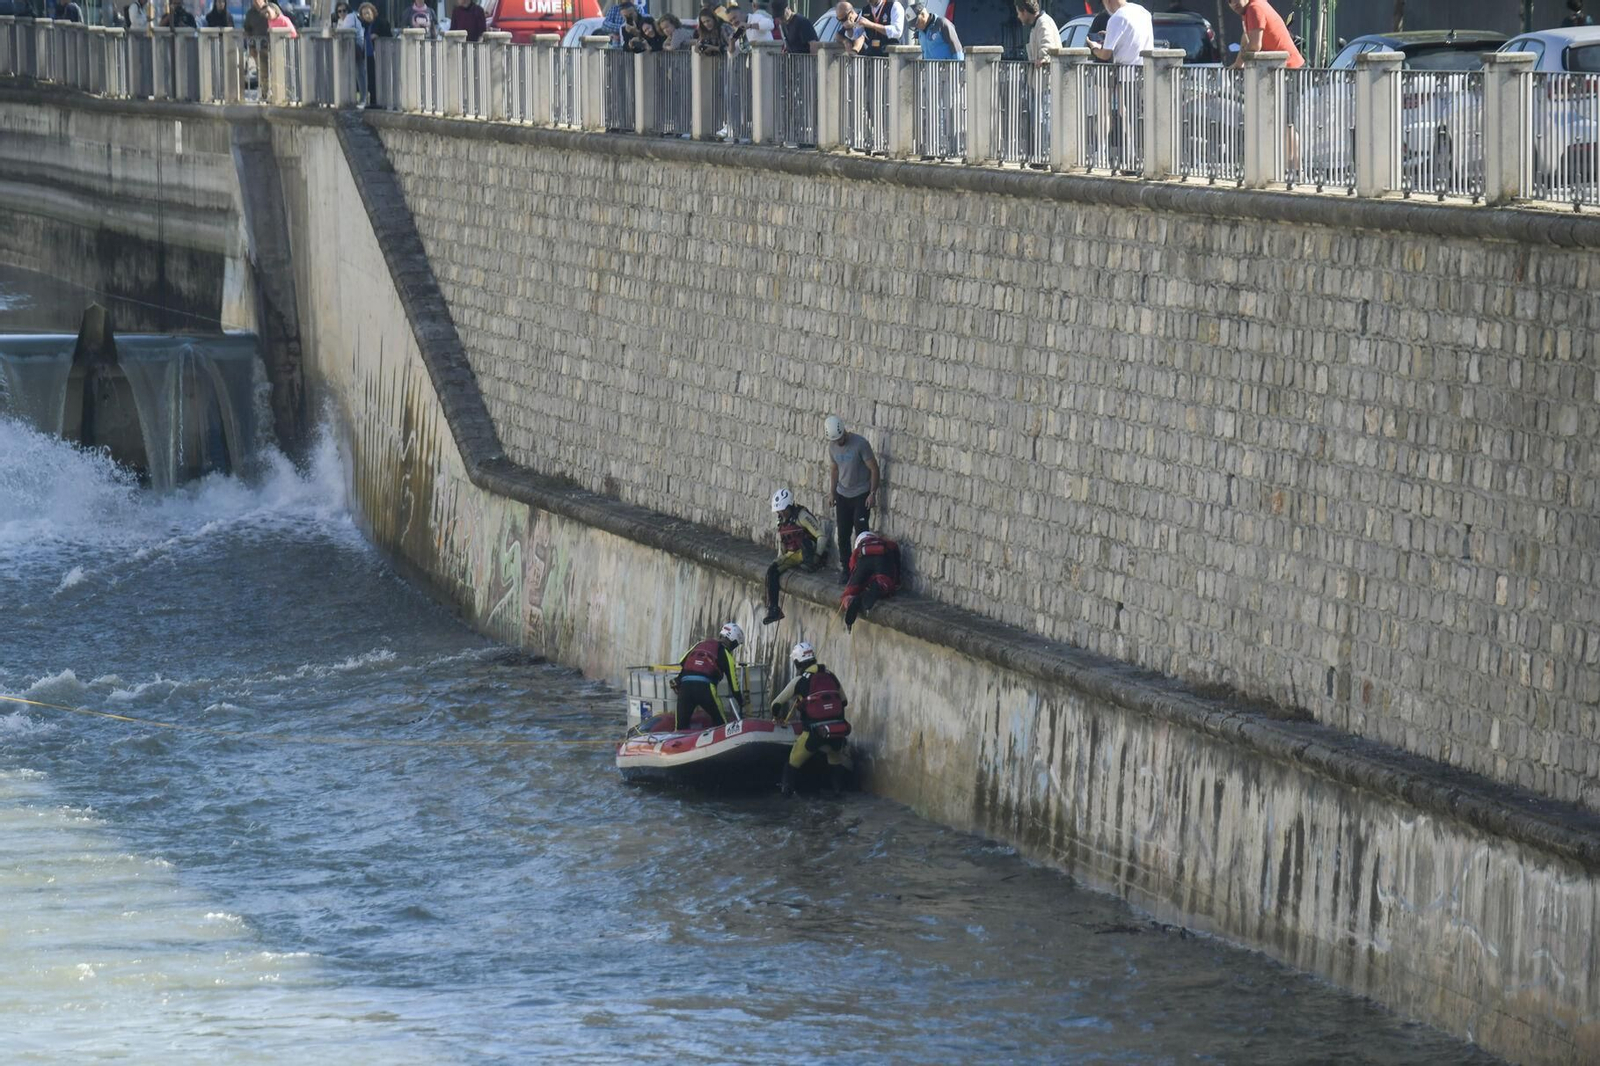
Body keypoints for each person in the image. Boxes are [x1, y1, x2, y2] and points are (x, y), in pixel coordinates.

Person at [770, 641, 852, 797]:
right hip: (837, 732)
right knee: (835, 760)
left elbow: (776, 704)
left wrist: (777, 717)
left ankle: (785, 796)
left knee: (792, 763)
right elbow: (844, 701)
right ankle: (838, 793)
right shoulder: (831, 676)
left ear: (797, 662)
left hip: (813, 734)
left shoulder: (799, 681)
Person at [825, 414, 878, 585]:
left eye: (840, 439)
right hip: (842, 495)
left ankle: (862, 569)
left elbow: (874, 469)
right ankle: (846, 569)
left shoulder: (860, 444)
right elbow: (834, 470)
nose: (839, 442)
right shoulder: (832, 447)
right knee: (843, 534)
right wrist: (832, 492)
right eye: (836, 440)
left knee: (861, 533)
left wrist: (872, 493)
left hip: (861, 493)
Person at [762, 487, 825, 626]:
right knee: (771, 572)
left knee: (805, 544)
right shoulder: (781, 521)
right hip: (792, 554)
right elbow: (782, 543)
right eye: (779, 511)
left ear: (790, 506)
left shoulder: (802, 516)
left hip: (807, 552)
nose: (781, 513)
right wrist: (778, 559)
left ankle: (808, 564)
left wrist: (817, 556)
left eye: (783, 510)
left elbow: (821, 536)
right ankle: (773, 609)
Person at [672, 622, 745, 731]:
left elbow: (683, 661)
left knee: (680, 727)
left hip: (685, 687)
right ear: (732, 641)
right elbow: (734, 685)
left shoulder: (700, 644)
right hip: (705, 689)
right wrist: (741, 702)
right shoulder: (726, 655)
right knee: (721, 725)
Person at [840, 529, 899, 630]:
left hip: (863, 562)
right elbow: (895, 562)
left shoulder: (859, 549)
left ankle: (851, 601)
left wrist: (857, 583)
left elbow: (852, 566)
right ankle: (878, 587)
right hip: (882, 559)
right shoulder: (884, 544)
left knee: (848, 593)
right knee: (883, 581)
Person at [1089, 0, 1151, 66]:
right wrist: (1109, 35)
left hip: (1125, 71)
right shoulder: (1143, 12)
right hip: (1145, 70)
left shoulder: (1117, 17)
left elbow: (1105, 55)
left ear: (1107, 1)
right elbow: (1133, 38)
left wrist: (1094, 48)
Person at [356, 2, 390, 106]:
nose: (367, 15)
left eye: (368, 12)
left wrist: (378, 36)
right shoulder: (363, 26)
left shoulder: (381, 22)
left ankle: (380, 101)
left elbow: (388, 35)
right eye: (364, 14)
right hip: (368, 56)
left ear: (373, 12)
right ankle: (372, 101)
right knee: (370, 79)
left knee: (379, 78)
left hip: (380, 55)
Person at [1015, 0, 1057, 65]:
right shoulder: (1037, 24)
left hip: (1047, 73)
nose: (1018, 16)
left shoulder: (1043, 22)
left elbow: (1048, 45)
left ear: (1024, 12)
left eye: (1018, 13)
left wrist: (1044, 58)